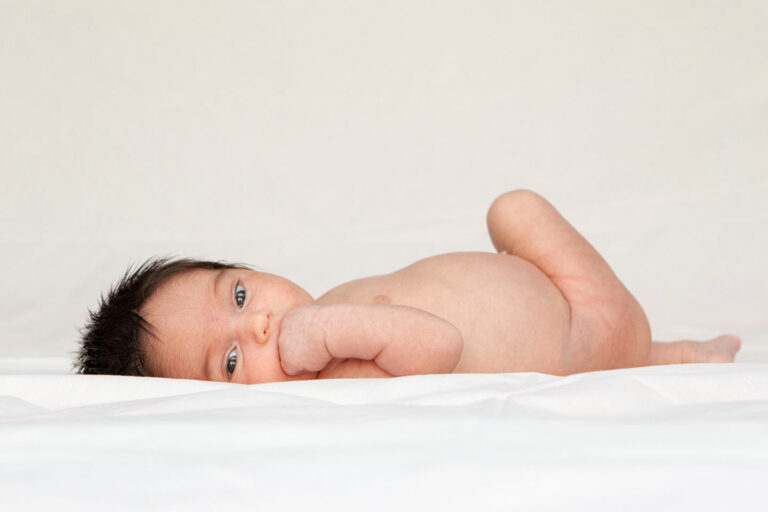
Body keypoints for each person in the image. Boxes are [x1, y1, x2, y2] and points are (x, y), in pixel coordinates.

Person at [75, 190, 741, 383]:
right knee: (515, 210)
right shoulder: (337, 374)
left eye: (241, 295)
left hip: (559, 291)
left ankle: (667, 353)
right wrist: (326, 333)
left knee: (512, 210)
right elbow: (438, 345)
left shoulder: (328, 303)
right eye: (229, 361)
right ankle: (666, 355)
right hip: (585, 325)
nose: (258, 326)